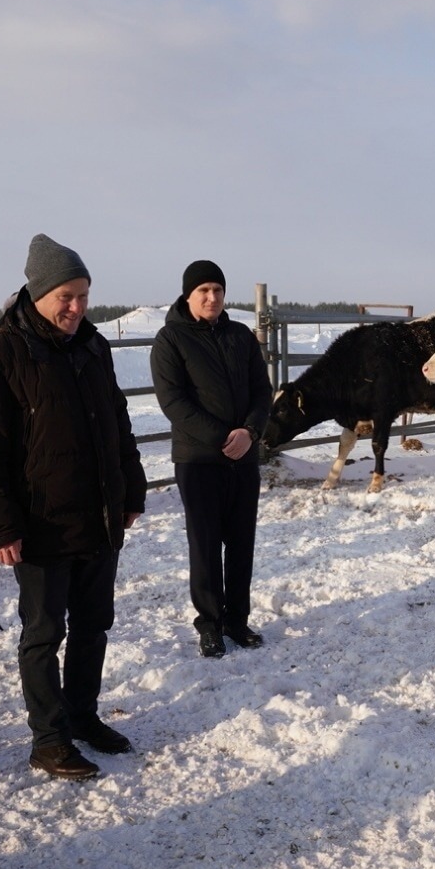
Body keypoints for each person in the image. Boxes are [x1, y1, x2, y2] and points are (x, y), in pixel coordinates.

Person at [0, 234, 146, 780]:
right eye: (65, 297)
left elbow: (118, 423)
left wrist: (131, 491)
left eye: (83, 296)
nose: (75, 308)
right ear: (38, 292)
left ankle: (83, 715)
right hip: (40, 522)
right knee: (44, 632)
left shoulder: (93, 347)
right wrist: (1, 525)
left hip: (98, 513)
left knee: (94, 624)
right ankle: (48, 738)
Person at [150, 260, 272, 658]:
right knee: (204, 546)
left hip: (244, 458)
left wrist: (250, 433)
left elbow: (261, 391)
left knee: (241, 544)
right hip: (199, 460)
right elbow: (174, 403)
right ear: (188, 294)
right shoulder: (170, 340)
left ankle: (237, 620)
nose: (212, 297)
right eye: (203, 290)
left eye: (217, 290)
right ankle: (209, 624)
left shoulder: (241, 336)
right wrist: (225, 438)